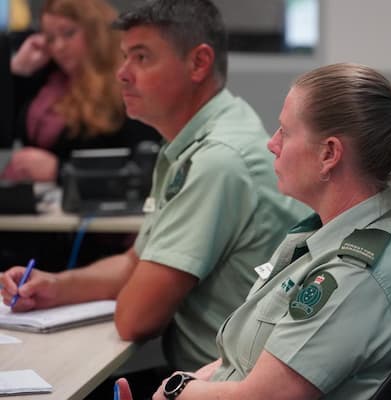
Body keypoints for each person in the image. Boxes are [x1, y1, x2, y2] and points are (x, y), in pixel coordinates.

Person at [1, 0, 308, 386]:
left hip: (219, 384)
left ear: (199, 63)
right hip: (207, 373)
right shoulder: (198, 137)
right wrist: (54, 287)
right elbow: (135, 262)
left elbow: (135, 318)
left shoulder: (217, 159)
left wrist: (121, 286)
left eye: (142, 57)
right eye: (124, 56)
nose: (122, 74)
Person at [116, 62, 391, 399]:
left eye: (284, 132)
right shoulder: (323, 234)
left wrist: (176, 393)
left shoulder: (350, 277)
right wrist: (188, 385)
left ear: (329, 154)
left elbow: (261, 397)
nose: (272, 144)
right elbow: (243, 362)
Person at [2, 0, 160, 182]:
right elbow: (8, 129)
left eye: (68, 33)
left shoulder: (128, 84)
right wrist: (17, 72)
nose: (59, 47)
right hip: (36, 200)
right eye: (50, 39)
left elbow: (142, 169)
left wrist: (60, 171)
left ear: (96, 32)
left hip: (98, 202)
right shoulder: (46, 76)